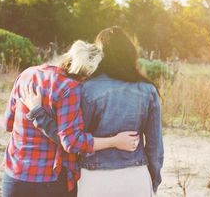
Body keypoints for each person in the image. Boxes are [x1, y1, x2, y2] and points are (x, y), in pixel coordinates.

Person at [22, 26, 164, 196]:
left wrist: (39, 115)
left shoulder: (84, 89)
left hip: (94, 178)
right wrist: (153, 180)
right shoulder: (148, 90)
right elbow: (155, 147)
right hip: (135, 175)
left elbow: (70, 139)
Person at [2, 40, 140, 197]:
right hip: (48, 181)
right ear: (88, 74)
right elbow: (72, 141)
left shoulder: (26, 74)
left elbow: (8, 123)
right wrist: (114, 141)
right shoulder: (70, 88)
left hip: (14, 176)